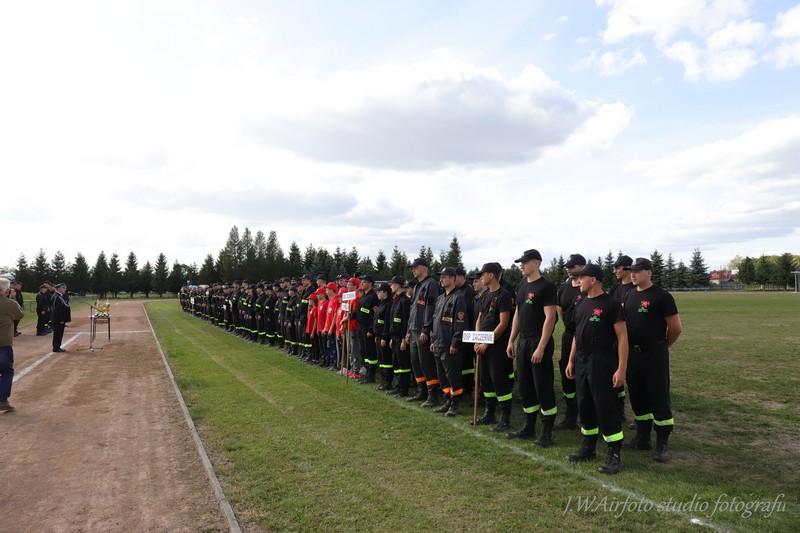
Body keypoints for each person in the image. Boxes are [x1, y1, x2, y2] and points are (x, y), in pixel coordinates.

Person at [565, 263, 628, 474]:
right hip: (582, 361)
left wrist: (621, 369)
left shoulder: (611, 305)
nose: (577, 281)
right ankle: (588, 447)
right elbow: (577, 335)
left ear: (593, 280)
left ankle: (614, 454)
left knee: (606, 406)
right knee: (585, 404)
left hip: (602, 361)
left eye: (581, 278)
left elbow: (622, 338)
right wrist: (571, 360)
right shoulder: (581, 304)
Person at [624, 257, 682, 463]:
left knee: (658, 397)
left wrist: (662, 346)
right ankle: (642, 438)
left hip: (654, 354)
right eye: (631, 271)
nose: (633, 274)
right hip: (633, 354)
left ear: (649, 272)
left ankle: (662, 444)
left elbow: (675, 328)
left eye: (637, 271)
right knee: (637, 395)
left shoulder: (662, 296)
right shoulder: (630, 295)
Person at [506, 249, 558, 447]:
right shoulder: (521, 285)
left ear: (536, 263)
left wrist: (542, 346)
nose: (522, 265)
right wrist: (511, 340)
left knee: (542, 386)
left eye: (525, 262)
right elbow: (518, 314)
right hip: (523, 342)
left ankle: (546, 431)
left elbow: (550, 318)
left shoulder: (546, 286)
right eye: (521, 262)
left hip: (538, 341)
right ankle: (528, 427)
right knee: (525, 385)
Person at [474, 262, 515, 431]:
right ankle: (489, 413)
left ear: (491, 275)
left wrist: (487, 342)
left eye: (483, 274)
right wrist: (478, 339)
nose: (481, 278)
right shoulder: (485, 295)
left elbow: (503, 323)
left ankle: (505, 418)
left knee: (500, 381)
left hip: (497, 346)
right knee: (486, 381)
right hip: (483, 345)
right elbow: (480, 318)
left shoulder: (504, 295)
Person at [430, 267, 467, 416]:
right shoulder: (440, 298)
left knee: (453, 376)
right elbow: (435, 320)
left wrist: (455, 342)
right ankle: (447, 400)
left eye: (444, 277)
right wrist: (433, 340)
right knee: (442, 376)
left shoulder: (458, 298)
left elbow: (460, 322)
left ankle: (455, 404)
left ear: (453, 278)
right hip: (438, 343)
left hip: (449, 345)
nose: (441, 279)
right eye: (441, 277)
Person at [555, 253, 586, 430]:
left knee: (584, 375)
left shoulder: (587, 287)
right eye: (567, 266)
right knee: (566, 374)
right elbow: (562, 312)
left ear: (582, 267)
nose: (568, 269)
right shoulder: (563, 289)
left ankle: (587, 414)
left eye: (572, 266)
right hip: (569, 335)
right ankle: (571, 415)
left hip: (585, 336)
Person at [405, 258, 441, 404]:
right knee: (415, 362)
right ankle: (421, 391)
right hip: (413, 329)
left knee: (426, 363)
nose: (413, 270)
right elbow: (413, 309)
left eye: (415, 267)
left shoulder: (431, 284)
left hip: (422, 330)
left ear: (424, 268)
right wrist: (408, 330)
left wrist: (426, 329)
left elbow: (431, 309)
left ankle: (433, 395)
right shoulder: (417, 286)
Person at [0, 277, 24, 413]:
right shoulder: (10, 303)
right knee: (7, 372)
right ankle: (2, 400)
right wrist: (12, 298)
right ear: (6, 290)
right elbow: (19, 315)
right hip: (3, 343)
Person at [387, 276, 411, 397]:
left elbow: (406, 321)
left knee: (403, 364)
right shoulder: (396, 300)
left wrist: (404, 339)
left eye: (392, 284)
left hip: (401, 338)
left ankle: (403, 389)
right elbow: (393, 320)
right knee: (396, 363)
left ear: (398, 285)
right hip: (395, 337)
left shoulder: (405, 301)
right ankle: (397, 386)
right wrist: (392, 338)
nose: (391, 286)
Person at [373, 283, 393, 390]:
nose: (377, 293)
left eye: (379, 291)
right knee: (381, 360)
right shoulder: (381, 304)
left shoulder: (389, 304)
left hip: (384, 337)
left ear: (385, 293)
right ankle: (382, 381)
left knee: (386, 360)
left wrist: (384, 337)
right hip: (378, 335)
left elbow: (387, 323)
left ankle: (387, 382)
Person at [51, 283, 71, 352]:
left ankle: (57, 347)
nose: (65, 290)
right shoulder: (57, 297)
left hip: (59, 319)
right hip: (58, 319)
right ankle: (56, 348)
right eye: (63, 288)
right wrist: (61, 319)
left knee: (60, 333)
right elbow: (56, 310)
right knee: (58, 333)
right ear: (59, 289)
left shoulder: (60, 296)